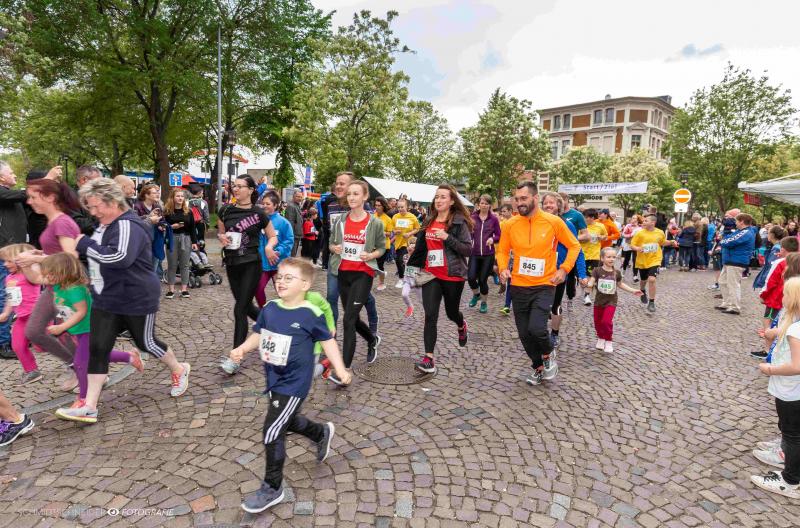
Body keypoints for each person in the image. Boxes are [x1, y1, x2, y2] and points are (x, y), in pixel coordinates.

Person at [55, 178, 191, 423]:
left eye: (96, 206)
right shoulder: (103, 225)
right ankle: (90, 406)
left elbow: (119, 258)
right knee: (98, 348)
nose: (93, 212)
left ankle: (179, 369)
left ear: (112, 201)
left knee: (146, 342)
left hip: (135, 296)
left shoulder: (129, 224)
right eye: (90, 208)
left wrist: (84, 244)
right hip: (107, 297)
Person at [229, 258, 351, 513]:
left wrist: (340, 369)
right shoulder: (270, 308)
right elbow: (259, 333)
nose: (281, 281)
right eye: (280, 277)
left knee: (273, 430)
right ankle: (320, 433)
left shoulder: (311, 313)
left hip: (295, 382)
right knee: (288, 420)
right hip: (273, 377)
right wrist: (242, 348)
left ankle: (272, 487)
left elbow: (328, 342)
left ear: (305, 284)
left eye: (289, 278)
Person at [496, 181, 579, 385]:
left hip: (544, 284)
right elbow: (503, 250)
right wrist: (503, 267)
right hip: (518, 285)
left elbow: (574, 246)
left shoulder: (554, 222)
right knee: (524, 334)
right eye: (517, 199)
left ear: (535, 198)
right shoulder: (510, 224)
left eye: (524, 198)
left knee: (537, 328)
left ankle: (548, 353)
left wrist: (564, 269)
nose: (519, 203)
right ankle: (538, 367)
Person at [40, 253, 143, 411]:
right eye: (46, 274)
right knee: (95, 355)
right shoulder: (58, 286)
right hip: (81, 330)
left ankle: (83, 399)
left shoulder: (75, 290)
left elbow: (81, 312)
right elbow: (39, 280)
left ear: (62, 272)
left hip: (92, 328)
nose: (46, 278)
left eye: (50, 274)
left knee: (80, 363)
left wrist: (62, 327)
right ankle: (129, 357)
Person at [16, 178, 85, 389]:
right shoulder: (53, 222)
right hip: (54, 286)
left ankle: (88, 371)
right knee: (37, 331)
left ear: (50, 197)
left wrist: (35, 259)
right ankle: (77, 366)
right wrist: (37, 255)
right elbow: (57, 253)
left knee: (67, 334)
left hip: (68, 288)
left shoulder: (62, 222)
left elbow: (70, 258)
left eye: (33, 197)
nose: (29, 201)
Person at [406, 185, 473, 375]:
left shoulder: (459, 222)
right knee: (430, 315)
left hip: (452, 275)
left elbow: (467, 249)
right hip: (431, 275)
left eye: (443, 197)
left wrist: (447, 237)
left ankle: (461, 324)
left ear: (451, 201)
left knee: (452, 313)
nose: (439, 200)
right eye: (437, 197)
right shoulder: (429, 220)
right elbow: (422, 247)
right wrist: (410, 266)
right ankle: (429, 358)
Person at [326, 180, 385, 382]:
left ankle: (344, 370)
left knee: (348, 319)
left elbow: (382, 248)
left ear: (365, 197)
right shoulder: (340, 221)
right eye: (349, 194)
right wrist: (334, 248)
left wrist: (371, 255)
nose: (351, 197)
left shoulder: (374, 223)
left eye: (356, 194)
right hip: (343, 273)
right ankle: (372, 339)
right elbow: (331, 243)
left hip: (363, 274)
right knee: (353, 318)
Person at [750, 276, 800, 499]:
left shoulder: (795, 331)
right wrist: (775, 332)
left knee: (792, 434)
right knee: (792, 432)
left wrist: (770, 369)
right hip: (793, 390)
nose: (782, 297)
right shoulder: (793, 326)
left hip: (791, 391)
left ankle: (790, 480)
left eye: (786, 294)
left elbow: (797, 366)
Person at [217, 176, 279, 348]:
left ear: (251, 190)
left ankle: (236, 355)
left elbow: (272, 236)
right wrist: (221, 237)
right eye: (234, 186)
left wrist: (269, 247)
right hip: (232, 263)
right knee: (247, 307)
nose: (235, 189)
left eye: (240, 186)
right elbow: (221, 233)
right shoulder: (225, 210)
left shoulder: (259, 213)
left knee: (240, 309)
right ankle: (273, 328)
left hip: (251, 263)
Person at [322, 172, 379, 336]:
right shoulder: (331, 205)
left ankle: (373, 321)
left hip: (357, 264)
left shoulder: (364, 207)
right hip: (337, 261)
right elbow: (329, 233)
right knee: (331, 297)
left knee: (365, 297)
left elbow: (373, 234)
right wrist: (331, 249)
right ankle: (332, 335)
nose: (338, 186)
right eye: (337, 183)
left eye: (342, 183)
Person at [539, 192, 587, 349]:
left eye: (551, 203)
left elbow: (577, 249)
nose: (548, 205)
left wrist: (582, 274)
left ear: (559, 205)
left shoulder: (566, 224)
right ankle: (539, 333)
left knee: (555, 305)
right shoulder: (538, 223)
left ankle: (554, 334)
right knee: (539, 305)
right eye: (545, 203)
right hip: (539, 272)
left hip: (558, 272)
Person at [0, 244, 43, 383]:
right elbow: (10, 298)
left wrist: (31, 258)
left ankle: (74, 361)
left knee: (41, 346)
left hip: (38, 316)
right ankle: (32, 371)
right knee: (17, 345)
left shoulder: (30, 272)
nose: (5, 264)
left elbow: (37, 270)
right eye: (4, 261)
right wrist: (5, 313)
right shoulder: (9, 278)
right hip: (22, 318)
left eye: (9, 261)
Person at [587, 247, 643, 353]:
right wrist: (589, 284)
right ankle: (601, 338)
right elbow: (592, 281)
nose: (612, 259)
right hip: (599, 301)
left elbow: (620, 284)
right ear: (602, 258)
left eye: (613, 257)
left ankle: (608, 341)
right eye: (608, 257)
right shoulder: (597, 271)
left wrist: (633, 290)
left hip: (611, 301)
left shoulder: (616, 272)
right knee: (597, 322)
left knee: (606, 321)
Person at [630, 214, 677, 313]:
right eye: (643, 221)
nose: (643, 222)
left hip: (655, 259)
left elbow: (662, 242)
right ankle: (642, 290)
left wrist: (671, 242)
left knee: (652, 279)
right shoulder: (640, 233)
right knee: (643, 280)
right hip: (642, 260)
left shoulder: (660, 232)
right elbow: (632, 245)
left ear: (653, 222)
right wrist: (638, 248)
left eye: (646, 221)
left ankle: (651, 302)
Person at [255, 191, 294, 307]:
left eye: (268, 204)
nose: (264, 206)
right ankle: (263, 311)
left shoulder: (283, 223)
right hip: (262, 264)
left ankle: (286, 311)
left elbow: (289, 241)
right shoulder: (258, 221)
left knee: (282, 292)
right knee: (258, 288)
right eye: (263, 203)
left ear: (275, 205)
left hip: (278, 264)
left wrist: (278, 251)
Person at [467, 194, 501, 314]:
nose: (484, 205)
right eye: (482, 203)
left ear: (490, 205)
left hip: (488, 254)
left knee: (482, 280)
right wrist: (469, 239)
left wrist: (493, 239)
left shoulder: (494, 219)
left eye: (486, 203)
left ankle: (484, 303)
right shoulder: (472, 217)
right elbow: (468, 232)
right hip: (474, 253)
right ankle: (476, 295)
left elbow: (499, 235)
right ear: (478, 204)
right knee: (471, 278)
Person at [717, 213, 756, 315]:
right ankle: (727, 302)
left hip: (736, 261)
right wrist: (724, 240)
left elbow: (729, 241)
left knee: (733, 284)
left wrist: (722, 241)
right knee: (722, 281)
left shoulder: (746, 232)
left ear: (742, 221)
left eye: (737, 221)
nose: (735, 223)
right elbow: (728, 238)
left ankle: (734, 306)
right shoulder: (740, 231)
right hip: (730, 260)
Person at [163, 188, 198, 299]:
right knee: (172, 265)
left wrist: (194, 242)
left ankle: (184, 289)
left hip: (186, 239)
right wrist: (171, 227)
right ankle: (171, 290)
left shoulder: (188, 211)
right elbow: (162, 226)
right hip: (171, 238)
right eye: (178, 196)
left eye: (182, 196)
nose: (180, 198)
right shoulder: (167, 211)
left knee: (185, 265)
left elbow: (192, 228)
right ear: (173, 198)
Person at [559, 193, 589, 303]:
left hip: (571, 251)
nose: (560, 203)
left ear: (567, 200)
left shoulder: (576, 215)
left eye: (562, 200)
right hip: (555, 253)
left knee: (570, 278)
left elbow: (586, 236)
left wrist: (570, 239)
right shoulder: (551, 215)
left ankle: (570, 298)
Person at [134, 183, 166, 280]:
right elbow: (134, 223)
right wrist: (149, 218)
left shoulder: (157, 206)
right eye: (154, 193)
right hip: (142, 243)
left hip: (155, 241)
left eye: (158, 192)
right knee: (142, 269)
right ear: (146, 195)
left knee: (153, 268)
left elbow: (162, 221)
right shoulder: (137, 206)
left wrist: (161, 226)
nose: (158, 194)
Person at [580, 209, 608, 306]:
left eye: (586, 217)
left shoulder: (600, 226)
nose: (584, 219)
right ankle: (585, 290)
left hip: (595, 255)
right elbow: (576, 238)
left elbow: (605, 236)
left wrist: (602, 237)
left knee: (592, 276)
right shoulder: (581, 226)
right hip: (582, 255)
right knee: (583, 277)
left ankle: (587, 295)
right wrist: (584, 239)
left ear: (592, 218)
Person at [391, 198, 420, 288]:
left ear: (406, 207)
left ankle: (402, 279)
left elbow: (417, 228)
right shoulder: (395, 217)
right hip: (398, 243)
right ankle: (408, 278)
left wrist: (409, 234)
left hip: (408, 243)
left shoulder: (412, 217)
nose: (400, 209)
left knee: (400, 260)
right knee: (400, 261)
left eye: (402, 207)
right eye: (398, 207)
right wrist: (395, 231)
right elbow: (392, 228)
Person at [372, 197, 393, 292]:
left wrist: (381, 232)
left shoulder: (388, 219)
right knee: (371, 265)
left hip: (384, 246)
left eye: (379, 205)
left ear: (383, 206)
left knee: (379, 265)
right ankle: (379, 275)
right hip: (373, 245)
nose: (377, 207)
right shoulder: (372, 216)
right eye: (376, 205)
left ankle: (382, 283)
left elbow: (389, 233)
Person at [621, 215, 642, 282]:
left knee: (635, 260)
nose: (633, 219)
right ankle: (623, 272)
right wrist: (630, 235)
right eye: (632, 218)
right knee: (626, 259)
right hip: (628, 244)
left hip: (636, 245)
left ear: (638, 220)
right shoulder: (628, 226)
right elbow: (623, 234)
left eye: (634, 218)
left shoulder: (640, 227)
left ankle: (635, 276)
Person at [284, 190, 304, 257]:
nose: (299, 198)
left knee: (293, 254)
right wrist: (291, 236)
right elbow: (290, 222)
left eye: (301, 197)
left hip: (297, 234)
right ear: (293, 197)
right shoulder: (291, 206)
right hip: (293, 235)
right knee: (292, 255)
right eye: (297, 196)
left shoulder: (297, 205)